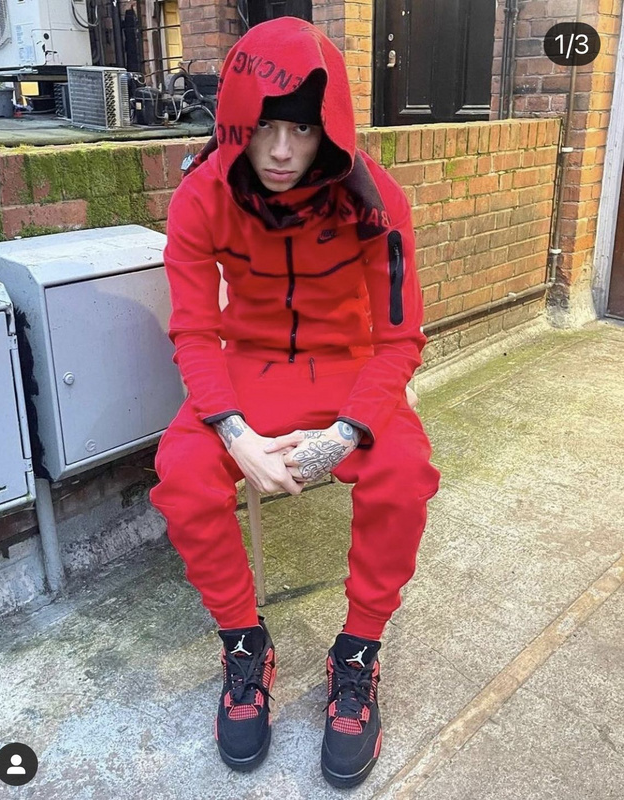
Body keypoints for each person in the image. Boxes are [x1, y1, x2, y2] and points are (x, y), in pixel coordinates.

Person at [149, 16, 441, 789]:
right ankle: (245, 645)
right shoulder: (201, 194)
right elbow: (193, 331)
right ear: (237, 123)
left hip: (347, 369)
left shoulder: (377, 199)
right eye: (266, 128)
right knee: (182, 473)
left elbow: (399, 339)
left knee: (403, 472)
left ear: (329, 132)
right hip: (245, 368)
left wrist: (346, 433)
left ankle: (358, 653)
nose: (281, 151)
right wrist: (234, 434)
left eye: (303, 131)